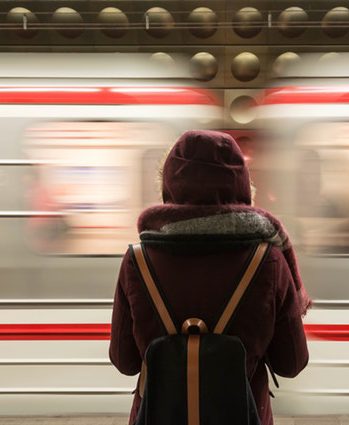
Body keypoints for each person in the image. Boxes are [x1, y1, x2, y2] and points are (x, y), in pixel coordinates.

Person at [109, 130, 311, 425]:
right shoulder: (268, 260)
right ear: (241, 184)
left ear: (170, 184)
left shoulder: (137, 260)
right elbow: (291, 363)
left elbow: (124, 361)